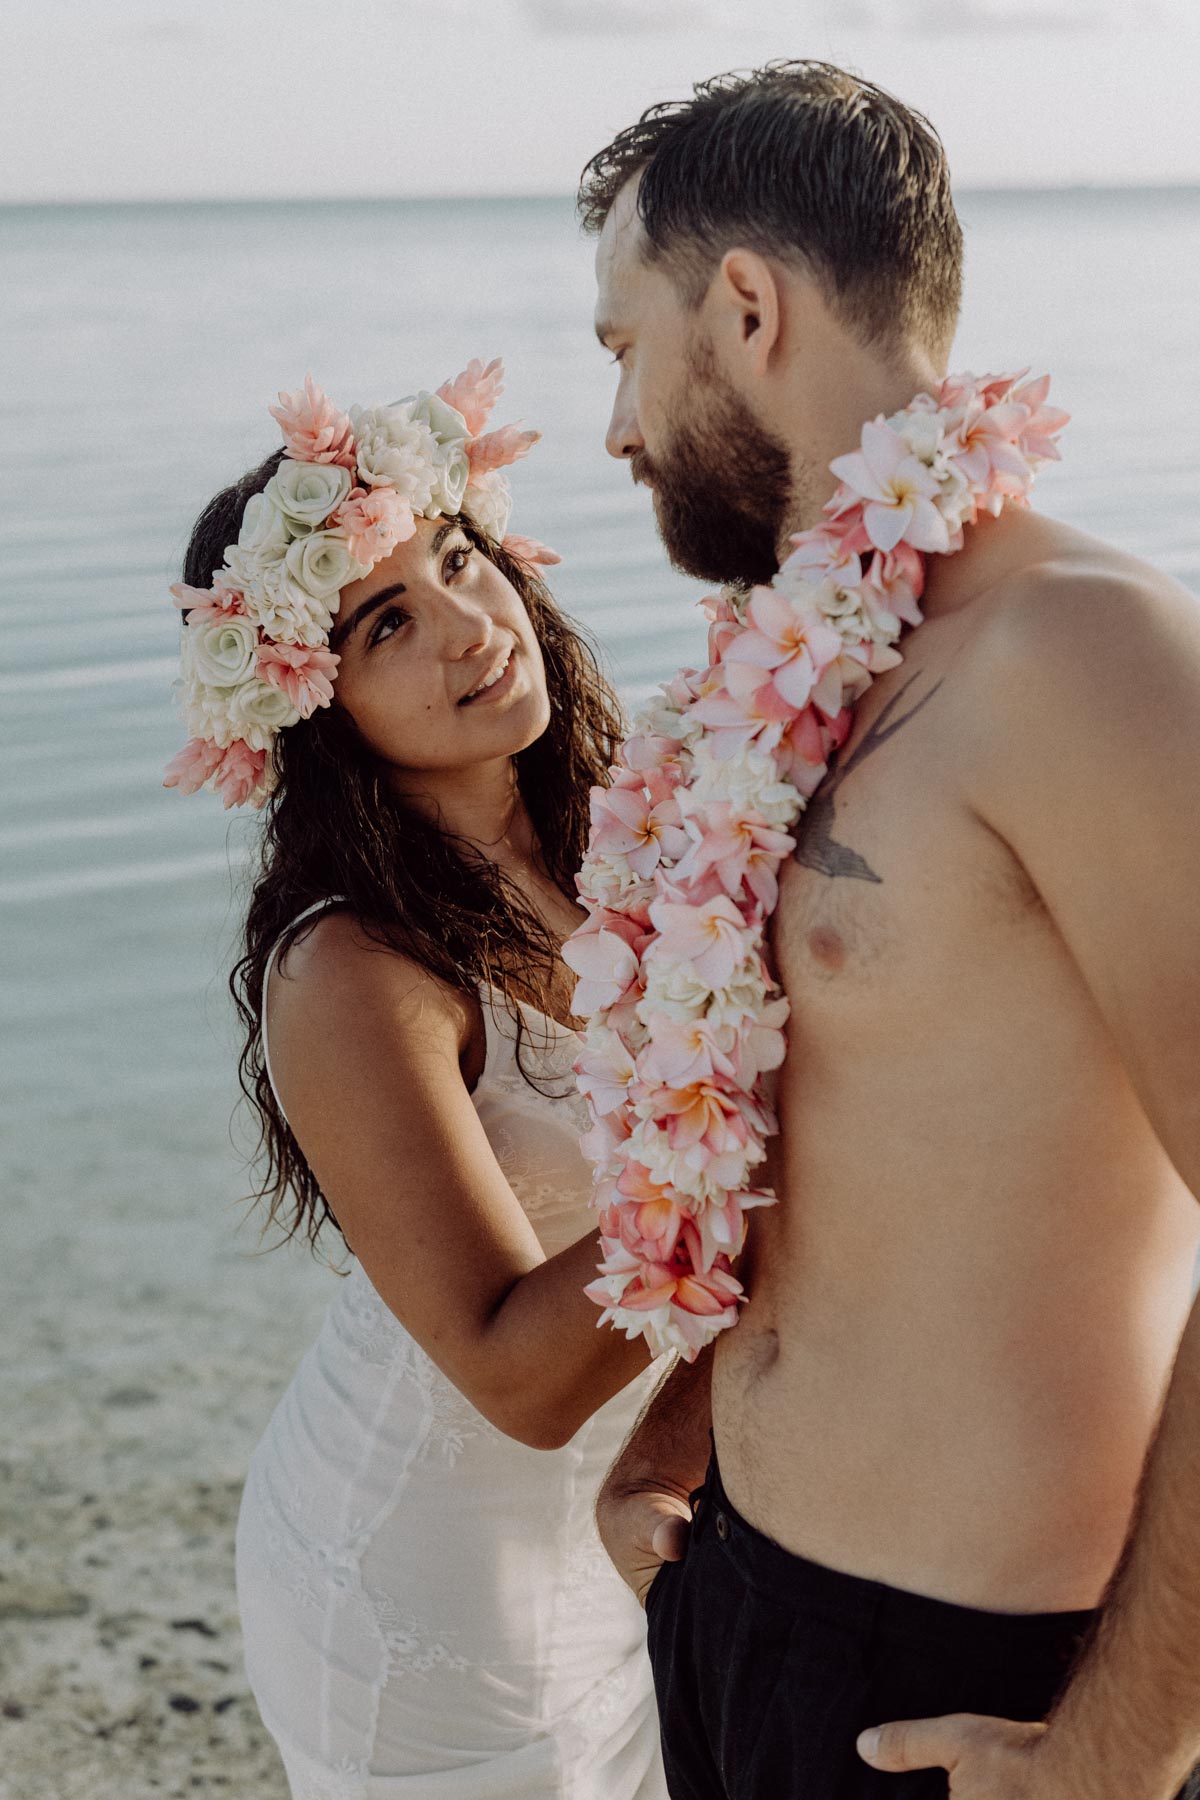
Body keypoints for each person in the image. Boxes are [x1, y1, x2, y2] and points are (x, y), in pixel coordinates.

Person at [579, 61, 1200, 1800]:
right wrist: (685, 1420)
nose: (617, 429)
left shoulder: (1088, 660)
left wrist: (1117, 1754)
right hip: (738, 1597)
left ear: (749, 309)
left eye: (621, 347)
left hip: (976, 1677)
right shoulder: (800, 685)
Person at [164, 364, 669, 1797]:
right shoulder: (355, 975)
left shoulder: (613, 846)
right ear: (313, 701)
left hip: (606, 1547)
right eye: (387, 622)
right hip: (423, 1588)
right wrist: (760, 1161)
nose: (469, 624)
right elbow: (520, 1376)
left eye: (457, 560)